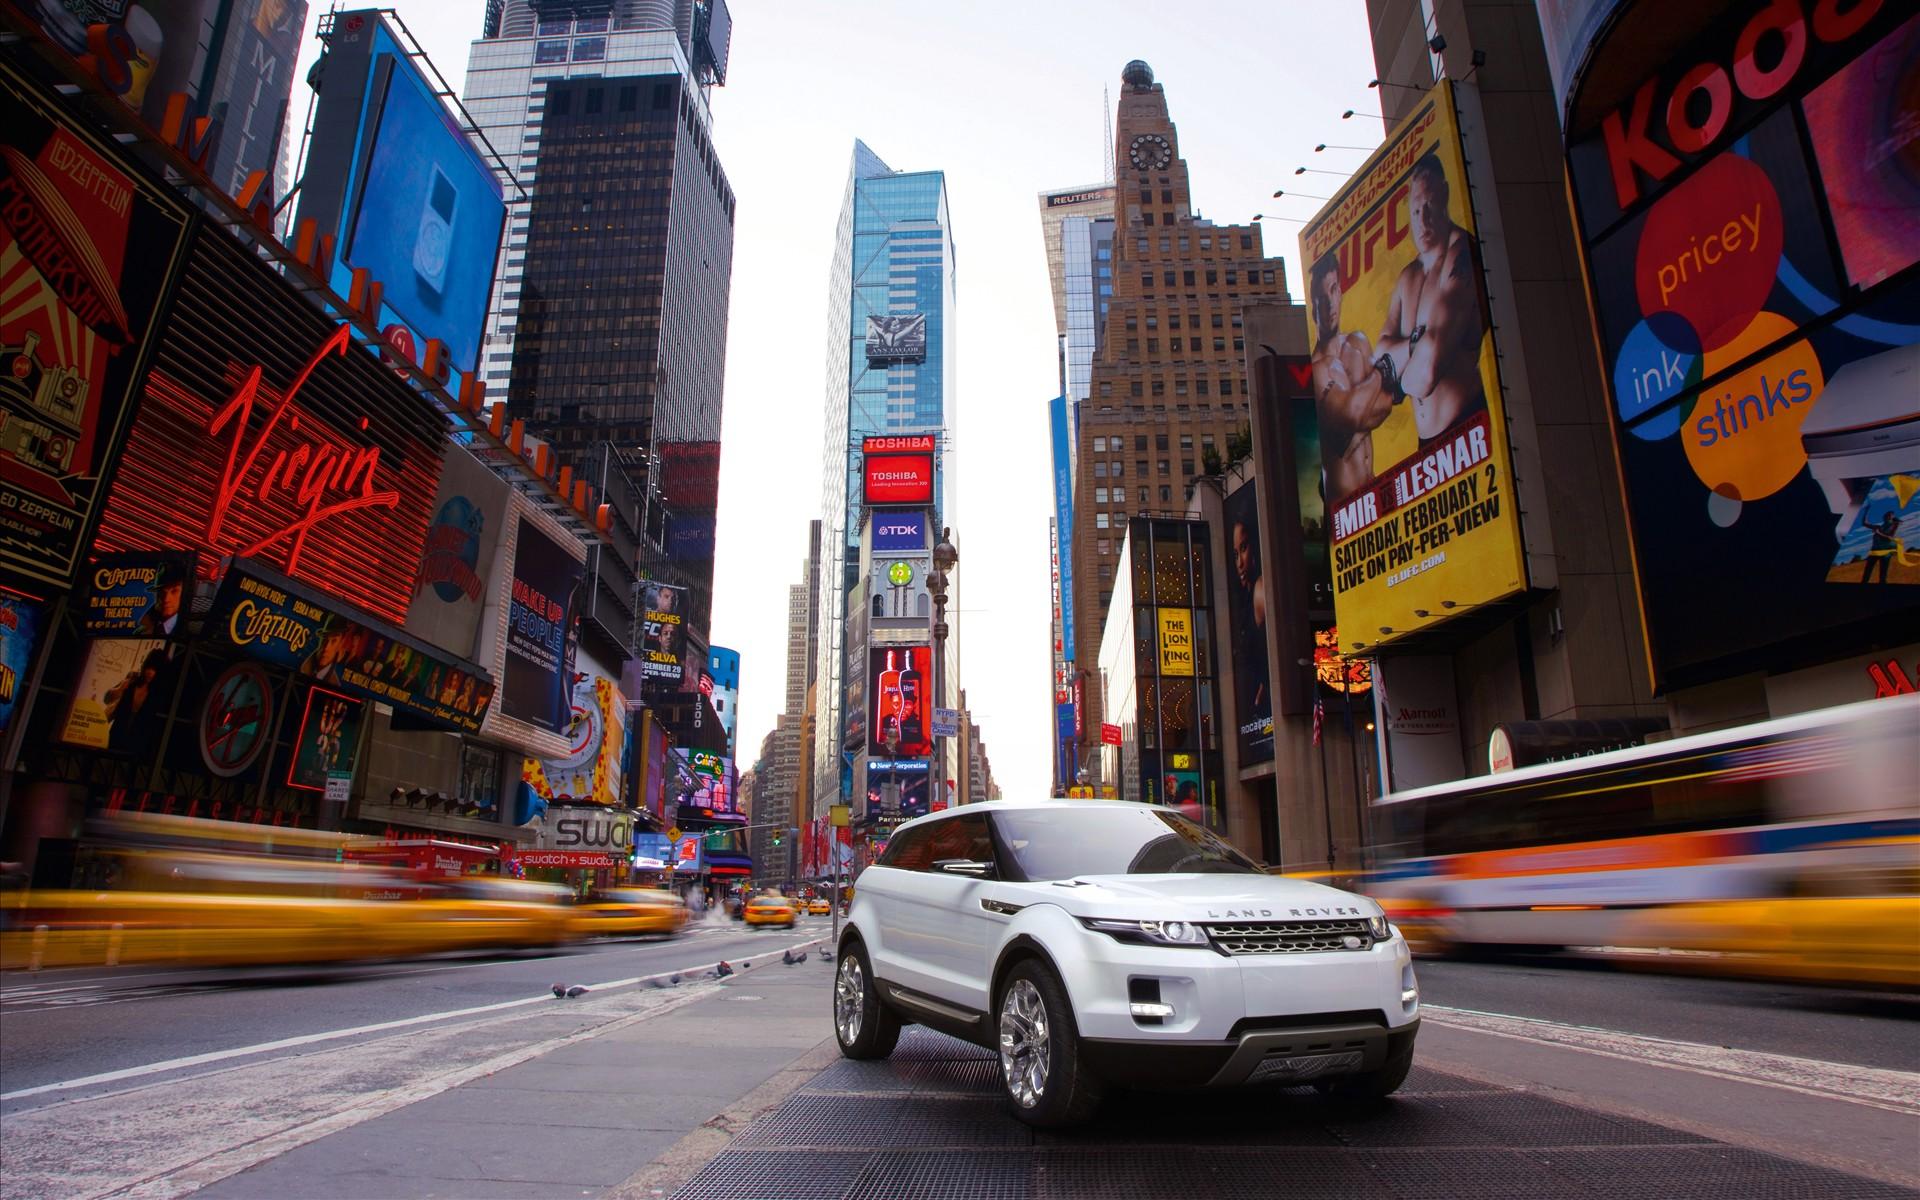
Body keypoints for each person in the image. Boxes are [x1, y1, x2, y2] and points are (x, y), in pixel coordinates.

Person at [1371, 149, 1489, 449]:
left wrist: (1396, 376)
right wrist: (1415, 344)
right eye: (1415, 211)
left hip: (1467, 429)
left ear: (1445, 196)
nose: (1422, 220)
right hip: (1426, 444)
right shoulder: (1408, 276)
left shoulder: (1461, 256)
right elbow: (1377, 361)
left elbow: (1426, 374)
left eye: (1429, 205)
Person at [1309, 253, 1394, 500]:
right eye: (1321, 299)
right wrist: (1382, 373)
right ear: (1313, 308)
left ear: (1341, 292)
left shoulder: (1357, 343)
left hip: (1375, 488)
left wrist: (1355, 409)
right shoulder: (1315, 371)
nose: (1329, 304)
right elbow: (1351, 416)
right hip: (1345, 504)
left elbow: (1386, 404)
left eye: (1333, 290)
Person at [1230, 515, 1270, 721]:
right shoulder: (1245, 599)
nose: (1240, 563)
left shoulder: (1261, 589)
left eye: (1244, 548)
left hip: (1265, 713)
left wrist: (1261, 694)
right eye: (1235, 554)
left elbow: (1276, 652)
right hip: (1253, 716)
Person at [136, 562, 185, 636]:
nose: (166, 599)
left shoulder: (191, 627)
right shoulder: (141, 631)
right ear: (156, 594)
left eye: (174, 591)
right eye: (161, 592)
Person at [1861, 511, 1904, 584]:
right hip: (1874, 551)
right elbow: (1864, 523)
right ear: (1884, 517)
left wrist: (1878, 533)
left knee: (1883, 574)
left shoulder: (1894, 526)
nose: (1887, 516)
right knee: (1867, 571)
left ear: (1892, 517)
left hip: (1885, 552)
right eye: (1886, 515)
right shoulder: (1878, 527)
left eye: (1889, 515)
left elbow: (1889, 538)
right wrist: (1866, 512)